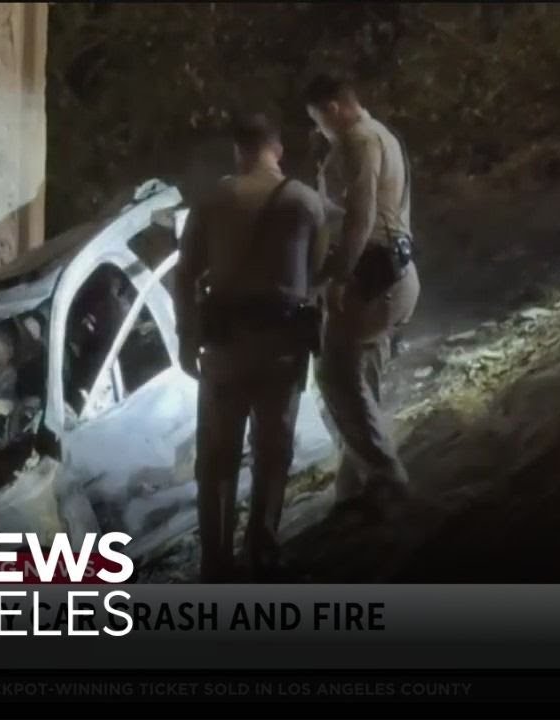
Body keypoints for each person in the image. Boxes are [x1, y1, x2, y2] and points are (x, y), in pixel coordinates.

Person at [174, 113, 327, 581]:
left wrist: (186, 338)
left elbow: (184, 275)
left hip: (225, 349)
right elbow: (317, 272)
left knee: (217, 458)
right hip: (282, 347)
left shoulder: (214, 198)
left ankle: (216, 561)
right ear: (276, 150)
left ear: (239, 152)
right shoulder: (306, 201)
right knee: (272, 450)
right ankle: (263, 547)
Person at [303, 73, 420, 518]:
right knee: (356, 376)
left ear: (332, 107)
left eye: (317, 119)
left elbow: (362, 216)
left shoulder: (358, 140)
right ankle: (354, 485)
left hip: (374, 275)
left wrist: (338, 276)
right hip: (393, 270)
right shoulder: (380, 134)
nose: (318, 129)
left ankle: (387, 477)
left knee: (335, 374)